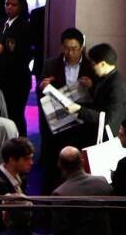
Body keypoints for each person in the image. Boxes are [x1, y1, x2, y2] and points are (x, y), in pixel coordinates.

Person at [36, 27, 95, 191]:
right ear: (61, 47)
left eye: (74, 49)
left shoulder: (90, 66)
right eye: (66, 48)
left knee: (79, 166)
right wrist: (43, 86)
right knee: (54, 169)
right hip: (58, 122)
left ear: (81, 48)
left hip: (81, 123)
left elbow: (99, 96)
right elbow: (41, 89)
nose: (70, 53)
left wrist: (92, 86)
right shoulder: (51, 64)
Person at [0, 0, 33, 135]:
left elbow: (25, 54)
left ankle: (21, 145)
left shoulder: (25, 26)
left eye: (14, 5)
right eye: (7, 4)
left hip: (17, 79)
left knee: (15, 115)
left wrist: (3, 52)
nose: (9, 7)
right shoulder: (0, 23)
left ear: (21, 6)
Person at [73, 43, 126, 146]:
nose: (91, 67)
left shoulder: (117, 86)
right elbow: (102, 101)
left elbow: (108, 119)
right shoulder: (107, 77)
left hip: (108, 138)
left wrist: (79, 110)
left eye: (93, 64)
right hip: (99, 132)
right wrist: (91, 87)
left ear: (102, 64)